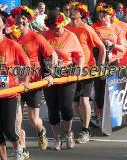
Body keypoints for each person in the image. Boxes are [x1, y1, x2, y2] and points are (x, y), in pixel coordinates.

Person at [0, 9, 30, 160]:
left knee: (9, 130)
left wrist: (26, 80)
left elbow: (26, 63)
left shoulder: (12, 45)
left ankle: (18, 150)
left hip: (9, 93)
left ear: (3, 25)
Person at [10, 5, 57, 157]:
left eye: (23, 19)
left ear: (28, 21)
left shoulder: (36, 37)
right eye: (17, 19)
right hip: (15, 83)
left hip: (33, 82)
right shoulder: (10, 37)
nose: (20, 21)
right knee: (16, 119)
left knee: (33, 119)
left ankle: (41, 130)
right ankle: (22, 149)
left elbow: (52, 56)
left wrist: (49, 74)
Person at [42, 10, 84, 150]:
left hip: (67, 75)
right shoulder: (45, 35)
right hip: (49, 75)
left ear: (62, 24)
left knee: (66, 107)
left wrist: (79, 68)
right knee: (52, 108)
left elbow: (80, 55)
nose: (55, 31)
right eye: (52, 29)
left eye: (57, 28)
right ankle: (57, 137)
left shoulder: (70, 36)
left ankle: (68, 133)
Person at [65, 1, 106, 144]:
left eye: (76, 10)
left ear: (82, 14)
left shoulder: (86, 28)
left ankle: (85, 130)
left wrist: (100, 65)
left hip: (88, 69)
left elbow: (101, 47)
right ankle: (86, 121)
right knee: (75, 105)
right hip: (72, 70)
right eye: (70, 9)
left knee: (84, 100)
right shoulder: (65, 29)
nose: (72, 11)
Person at [92, 3, 126, 126]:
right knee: (99, 91)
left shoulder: (117, 28)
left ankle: (113, 118)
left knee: (112, 91)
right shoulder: (94, 27)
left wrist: (112, 45)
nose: (102, 15)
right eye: (100, 13)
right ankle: (99, 117)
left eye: (105, 13)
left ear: (110, 15)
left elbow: (123, 48)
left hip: (113, 63)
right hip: (99, 63)